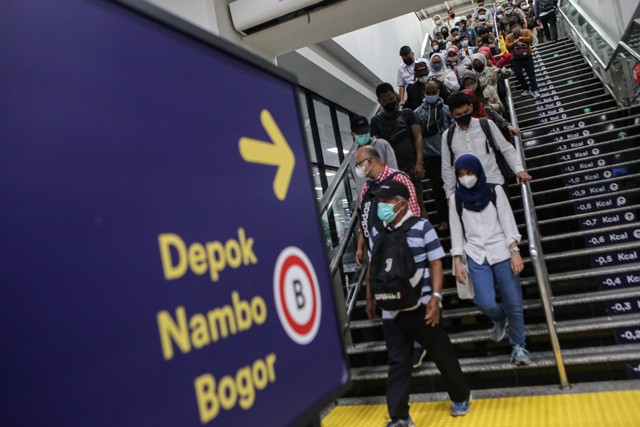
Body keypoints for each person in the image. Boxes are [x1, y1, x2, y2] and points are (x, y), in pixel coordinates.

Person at [365, 180, 472, 425]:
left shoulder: (422, 226)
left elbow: (436, 262)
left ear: (402, 205)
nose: (381, 206)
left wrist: (435, 298)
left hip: (422, 306)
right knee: (398, 362)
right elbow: (374, 267)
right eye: (380, 201)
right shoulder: (377, 232)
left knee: (441, 353)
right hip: (391, 309)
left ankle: (461, 396)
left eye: (386, 201)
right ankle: (400, 416)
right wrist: (370, 296)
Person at [448, 154, 531, 366]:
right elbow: (456, 232)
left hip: (501, 250)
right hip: (476, 254)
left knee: (513, 302)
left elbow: (507, 220)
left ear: (478, 172)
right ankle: (499, 318)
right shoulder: (455, 199)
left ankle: (518, 345)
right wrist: (457, 261)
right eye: (461, 175)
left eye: (469, 173)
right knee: (484, 301)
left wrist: (515, 250)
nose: (466, 178)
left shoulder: (495, 191)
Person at [441, 92, 532, 199]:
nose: (463, 116)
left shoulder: (487, 125)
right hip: (468, 190)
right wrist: (450, 195)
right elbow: (447, 168)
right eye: (458, 114)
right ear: (451, 115)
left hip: (495, 183)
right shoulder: (447, 136)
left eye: (466, 112)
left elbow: (506, 149)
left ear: (471, 107)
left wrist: (519, 170)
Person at [355, 145, 421, 267]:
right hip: (376, 251)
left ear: (370, 161)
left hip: (400, 248)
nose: (358, 169)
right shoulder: (366, 188)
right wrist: (360, 248)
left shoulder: (399, 178)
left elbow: (414, 214)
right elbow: (364, 220)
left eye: (359, 164)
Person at [370, 83, 427, 218]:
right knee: (397, 206)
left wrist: (419, 162)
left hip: (411, 166)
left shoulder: (408, 113)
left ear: (395, 96)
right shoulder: (376, 121)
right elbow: (376, 148)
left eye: (391, 99)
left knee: (419, 203)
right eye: (385, 101)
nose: (389, 103)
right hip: (391, 172)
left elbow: (418, 137)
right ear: (379, 102)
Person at [414, 80, 452, 230]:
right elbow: (417, 136)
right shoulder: (418, 113)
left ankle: (457, 216)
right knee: (436, 188)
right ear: (424, 93)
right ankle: (443, 218)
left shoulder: (447, 110)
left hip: (448, 154)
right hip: (430, 156)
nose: (431, 95)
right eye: (428, 92)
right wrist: (420, 160)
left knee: (452, 186)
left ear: (439, 91)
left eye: (433, 92)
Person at [348, 115, 398, 193]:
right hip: (366, 198)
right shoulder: (352, 157)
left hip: (386, 195)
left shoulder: (382, 145)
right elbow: (356, 179)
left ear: (369, 130)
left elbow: (394, 171)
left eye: (365, 132)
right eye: (359, 133)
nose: (363, 135)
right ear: (352, 134)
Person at [504, 22, 540, 97]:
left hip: (527, 56)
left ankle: (535, 89)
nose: (515, 28)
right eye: (513, 27)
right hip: (516, 58)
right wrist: (514, 43)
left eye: (517, 26)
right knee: (518, 74)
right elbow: (507, 46)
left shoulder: (526, 32)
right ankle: (526, 89)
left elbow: (530, 39)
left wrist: (521, 39)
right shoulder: (509, 37)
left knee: (531, 73)